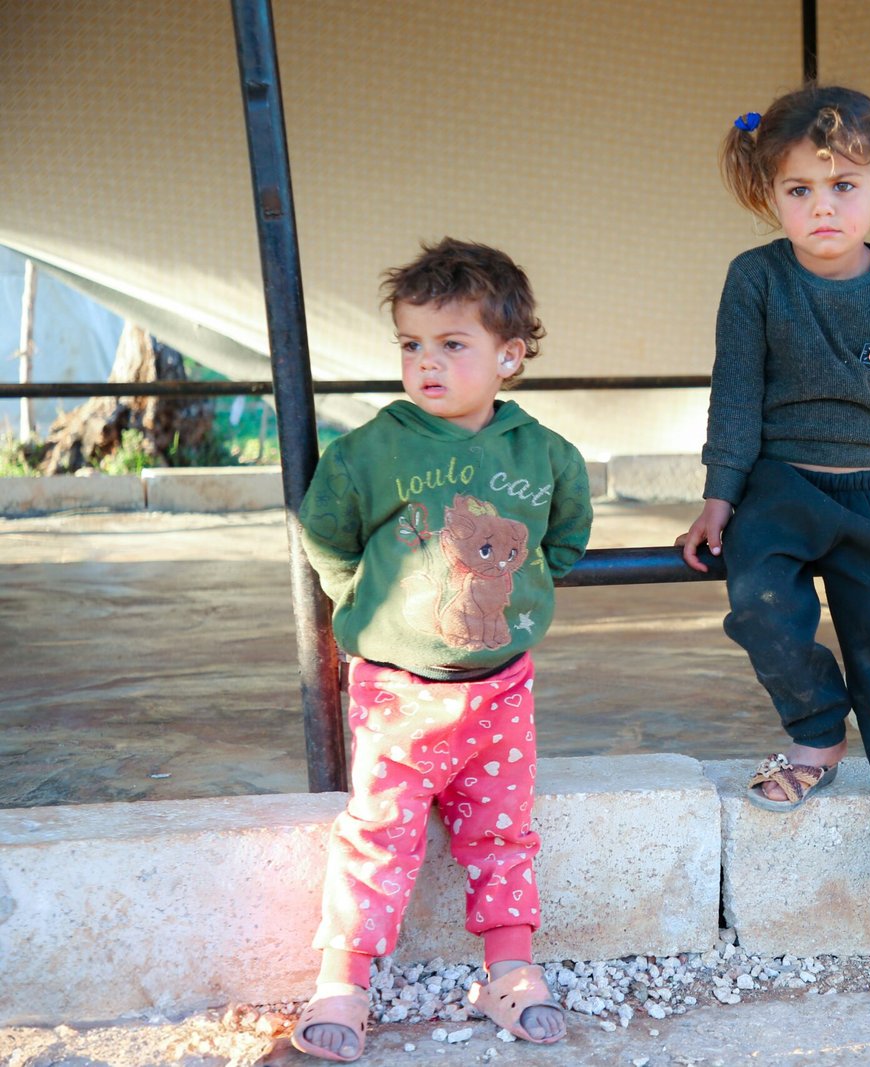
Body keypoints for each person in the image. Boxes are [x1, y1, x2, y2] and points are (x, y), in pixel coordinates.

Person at [676, 85, 870, 946]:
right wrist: (720, 496)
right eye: (800, 190)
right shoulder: (757, 279)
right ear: (768, 194)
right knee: (762, 609)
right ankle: (817, 736)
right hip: (778, 489)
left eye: (844, 185)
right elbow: (735, 395)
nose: (823, 207)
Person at [291, 238, 592, 1061]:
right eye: (411, 345)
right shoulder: (370, 452)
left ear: (510, 355)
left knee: (503, 830)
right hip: (397, 687)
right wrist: (366, 602)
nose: (427, 363)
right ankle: (343, 981)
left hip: (503, 685)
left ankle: (510, 967)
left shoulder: (545, 455)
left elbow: (562, 541)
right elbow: (326, 537)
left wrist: (526, 597)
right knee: (379, 828)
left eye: (452, 345)